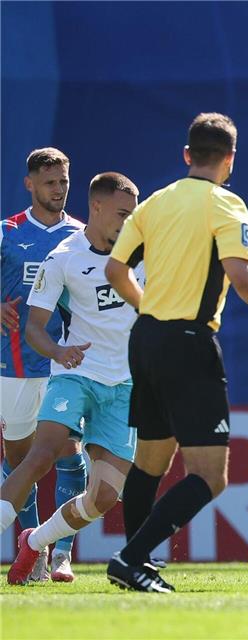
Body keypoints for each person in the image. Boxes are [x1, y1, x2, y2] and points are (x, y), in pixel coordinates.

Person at [103, 113, 248, 592]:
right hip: (188, 344)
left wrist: (148, 306)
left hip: (145, 338)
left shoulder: (153, 203)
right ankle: (129, 559)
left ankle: (137, 566)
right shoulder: (226, 203)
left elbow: (114, 269)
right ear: (229, 160)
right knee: (210, 477)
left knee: (150, 461)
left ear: (187, 155)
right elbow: (241, 271)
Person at [2, 173, 144, 584]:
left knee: (103, 497)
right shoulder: (63, 257)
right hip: (75, 374)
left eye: (133, 214)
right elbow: (35, 327)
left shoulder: (144, 253)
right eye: (122, 213)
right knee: (40, 456)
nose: (129, 221)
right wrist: (58, 352)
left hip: (125, 386)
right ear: (96, 208)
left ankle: (35, 542)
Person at [0, 148, 87, 582]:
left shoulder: (82, 237)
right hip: (13, 365)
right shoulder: (6, 233)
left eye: (64, 182)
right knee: (21, 461)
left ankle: (62, 555)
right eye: (50, 182)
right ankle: (30, 546)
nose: (59, 190)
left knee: (69, 453)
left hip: (66, 363)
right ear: (29, 183)